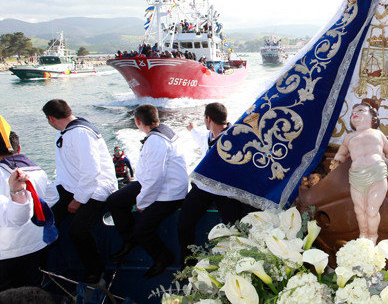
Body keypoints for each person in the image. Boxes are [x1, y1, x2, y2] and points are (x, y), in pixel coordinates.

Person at [107, 105, 188, 278]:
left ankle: (163, 257)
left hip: (169, 194)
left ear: (137, 121)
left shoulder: (156, 141)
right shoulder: (162, 133)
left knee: (142, 229)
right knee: (115, 201)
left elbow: (156, 178)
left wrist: (143, 202)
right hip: (156, 184)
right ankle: (129, 240)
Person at [42, 99, 117, 284]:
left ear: (51, 118)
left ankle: (96, 271)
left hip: (96, 187)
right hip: (76, 185)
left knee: (78, 230)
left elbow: (91, 172)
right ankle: (47, 267)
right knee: (49, 219)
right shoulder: (66, 132)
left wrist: (78, 200)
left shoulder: (81, 133)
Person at [178, 103, 254, 265]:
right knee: (184, 223)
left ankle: (237, 262)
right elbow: (201, 139)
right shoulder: (209, 136)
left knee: (234, 228)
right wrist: (191, 129)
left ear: (208, 119)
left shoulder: (233, 137)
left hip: (225, 191)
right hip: (204, 189)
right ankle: (188, 262)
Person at [0, 126, 59, 291]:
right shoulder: (36, 170)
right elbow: (53, 197)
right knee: (30, 293)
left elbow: (13, 217)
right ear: (18, 148)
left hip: (5, 251)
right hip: (34, 245)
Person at [332, 102, 388, 242]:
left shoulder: (377, 133)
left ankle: (373, 237)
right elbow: (340, 155)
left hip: (377, 173)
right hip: (356, 176)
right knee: (359, 210)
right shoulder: (349, 138)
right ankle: (363, 236)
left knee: (372, 210)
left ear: (373, 117)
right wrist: (336, 162)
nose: (354, 114)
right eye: (352, 113)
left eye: (360, 110)